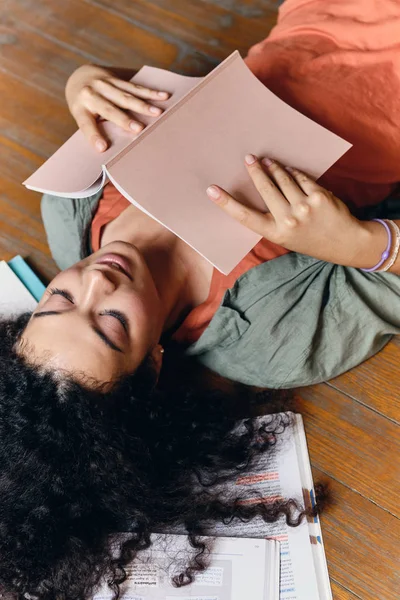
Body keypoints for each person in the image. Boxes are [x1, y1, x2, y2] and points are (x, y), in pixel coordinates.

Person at [1, 0, 400, 598]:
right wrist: (357, 242)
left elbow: (142, 91)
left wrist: (82, 82)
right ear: (153, 365)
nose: (95, 281)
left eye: (57, 300)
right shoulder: (268, 335)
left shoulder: (71, 207)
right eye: (110, 324)